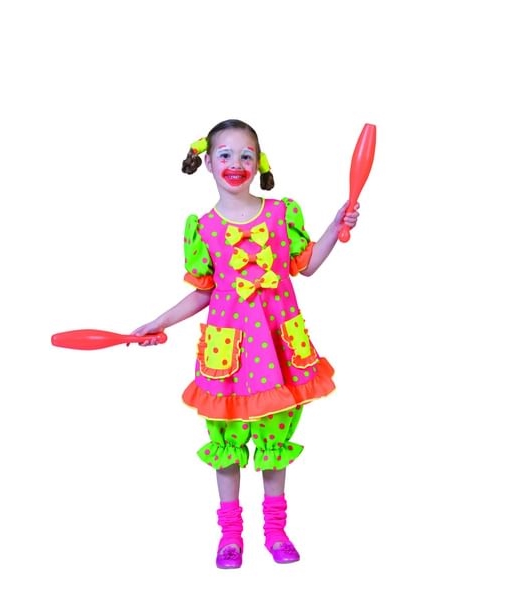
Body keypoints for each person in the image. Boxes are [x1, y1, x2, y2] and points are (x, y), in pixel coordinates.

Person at [132, 119, 360, 569]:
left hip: (277, 352)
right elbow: (203, 292)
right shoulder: (203, 228)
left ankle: (276, 531)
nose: (235, 163)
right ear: (207, 163)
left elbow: (307, 265)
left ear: (259, 164)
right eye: (225, 155)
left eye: (245, 155)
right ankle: (230, 537)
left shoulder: (281, 214)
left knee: (274, 446)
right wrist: (159, 322)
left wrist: (336, 226)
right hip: (229, 356)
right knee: (227, 449)